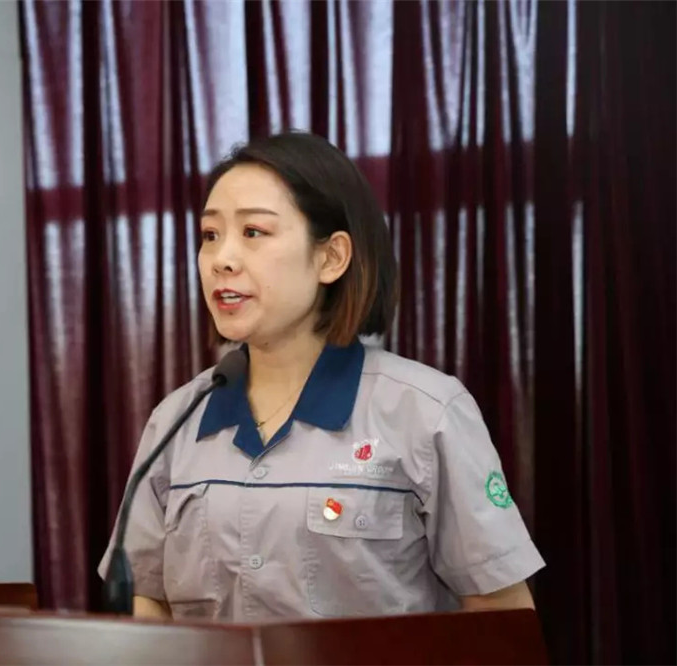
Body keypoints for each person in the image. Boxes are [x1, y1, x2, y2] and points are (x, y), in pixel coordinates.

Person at [98, 131, 545, 621]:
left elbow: (500, 617)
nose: (222, 259)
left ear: (331, 257)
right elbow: (147, 599)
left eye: (253, 232)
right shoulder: (176, 420)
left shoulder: (426, 412)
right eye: (210, 235)